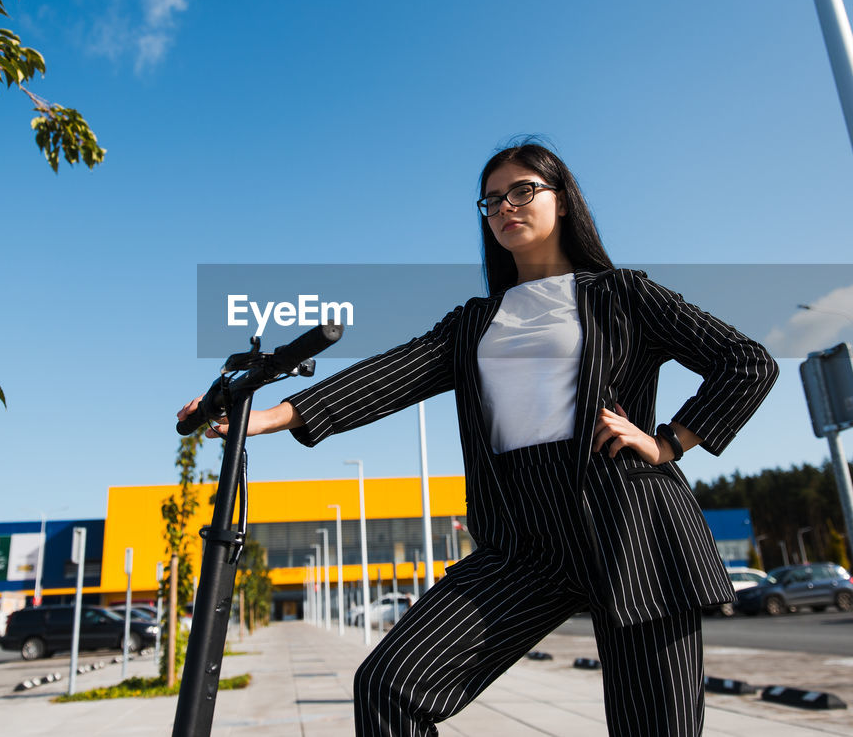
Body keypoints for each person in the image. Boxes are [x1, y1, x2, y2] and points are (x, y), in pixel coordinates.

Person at [178, 140, 778, 736]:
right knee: (390, 684)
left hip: (631, 525)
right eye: (491, 201)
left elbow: (746, 361)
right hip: (522, 537)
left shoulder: (622, 294)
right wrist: (273, 415)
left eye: (523, 191)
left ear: (563, 201)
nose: (505, 207)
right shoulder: (475, 322)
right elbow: (392, 375)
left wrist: (668, 441)